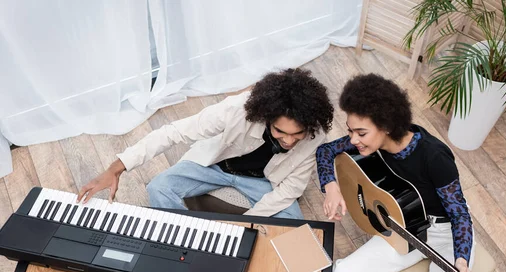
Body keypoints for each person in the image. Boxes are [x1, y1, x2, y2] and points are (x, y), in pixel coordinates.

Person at [316, 73, 476, 272]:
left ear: (386, 125)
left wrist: (461, 259)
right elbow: (325, 152)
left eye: (361, 132)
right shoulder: (366, 140)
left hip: (444, 231)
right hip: (404, 223)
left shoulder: (434, 155)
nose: (354, 140)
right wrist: (330, 186)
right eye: (351, 131)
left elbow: (459, 212)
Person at [78, 68, 334, 219]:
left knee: (293, 222)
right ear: (266, 116)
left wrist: (247, 222)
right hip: (215, 166)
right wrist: (116, 168)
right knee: (159, 187)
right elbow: (173, 132)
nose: (289, 140)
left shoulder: (316, 135)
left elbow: (291, 189)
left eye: (296, 134)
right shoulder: (236, 110)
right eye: (280, 131)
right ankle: (185, 238)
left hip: (263, 182)